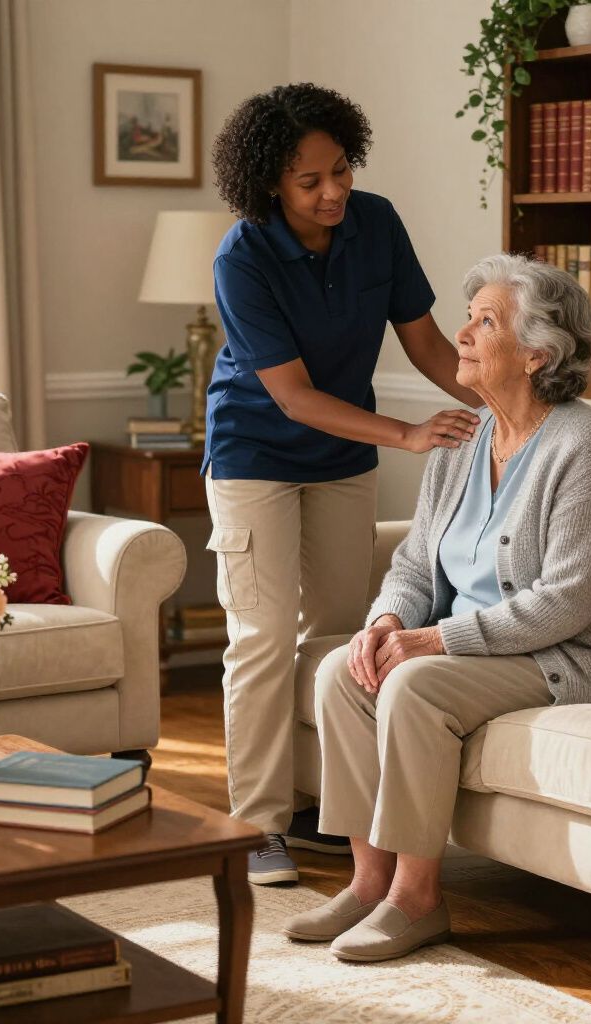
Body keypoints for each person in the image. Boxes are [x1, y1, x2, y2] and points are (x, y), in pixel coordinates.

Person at [282, 254, 591, 961]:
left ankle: (417, 899)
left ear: (536, 353)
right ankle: (369, 884)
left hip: (577, 655)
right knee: (344, 668)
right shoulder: (460, 442)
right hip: (489, 644)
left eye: (484, 322)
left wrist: (433, 642)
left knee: (416, 684)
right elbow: (412, 564)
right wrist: (389, 622)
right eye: (470, 318)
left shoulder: (586, 445)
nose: (461, 333)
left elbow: (565, 604)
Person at [204, 83, 481, 886]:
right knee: (259, 639)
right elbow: (290, 395)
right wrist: (406, 434)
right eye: (308, 182)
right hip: (255, 452)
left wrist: (506, 402)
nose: (332, 194)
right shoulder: (243, 257)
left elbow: (428, 344)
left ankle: (315, 806)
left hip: (340, 458)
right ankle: (253, 825)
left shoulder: (377, 223)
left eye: (340, 173)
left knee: (332, 636)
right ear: (269, 186)